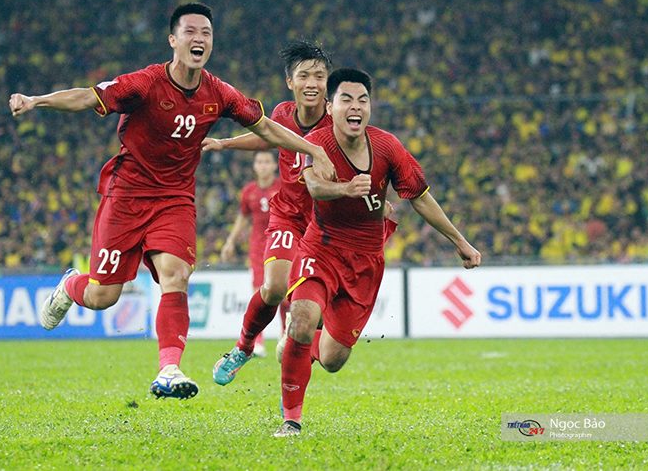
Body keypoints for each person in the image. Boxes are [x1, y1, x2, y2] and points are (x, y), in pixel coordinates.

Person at [7, 3, 335, 400]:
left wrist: (312, 149)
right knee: (103, 295)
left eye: (206, 33)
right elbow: (87, 97)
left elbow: (266, 127)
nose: (199, 39)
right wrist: (36, 100)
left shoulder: (219, 92)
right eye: (190, 32)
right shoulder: (145, 83)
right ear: (173, 40)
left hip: (175, 198)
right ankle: (70, 286)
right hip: (127, 195)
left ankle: (169, 369)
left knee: (176, 276)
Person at [274, 68, 482, 437]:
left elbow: (420, 198)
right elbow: (315, 187)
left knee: (333, 360)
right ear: (330, 106)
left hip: (366, 262)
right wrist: (345, 190)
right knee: (303, 321)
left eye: (363, 100)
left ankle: (299, 348)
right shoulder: (315, 143)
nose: (355, 107)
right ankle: (291, 419)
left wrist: (459, 241)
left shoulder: (388, 147)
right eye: (346, 99)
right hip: (320, 247)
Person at [205, 40, 334, 385]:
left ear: (328, 82)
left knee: (316, 315)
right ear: (290, 82)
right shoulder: (282, 114)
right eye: (304, 76)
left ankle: (294, 372)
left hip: (326, 225)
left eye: (319, 76)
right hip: (288, 216)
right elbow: (267, 137)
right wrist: (225, 143)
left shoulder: (338, 119)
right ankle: (244, 347)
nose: (312, 83)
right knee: (274, 287)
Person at [220, 150, 281, 357]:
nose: (263, 166)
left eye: (267, 162)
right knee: (259, 292)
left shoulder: (283, 187)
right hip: (257, 247)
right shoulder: (249, 191)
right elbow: (243, 217)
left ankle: (285, 336)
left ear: (274, 165)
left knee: (284, 293)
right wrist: (230, 241)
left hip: (280, 242)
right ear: (254, 166)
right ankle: (258, 342)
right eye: (259, 162)